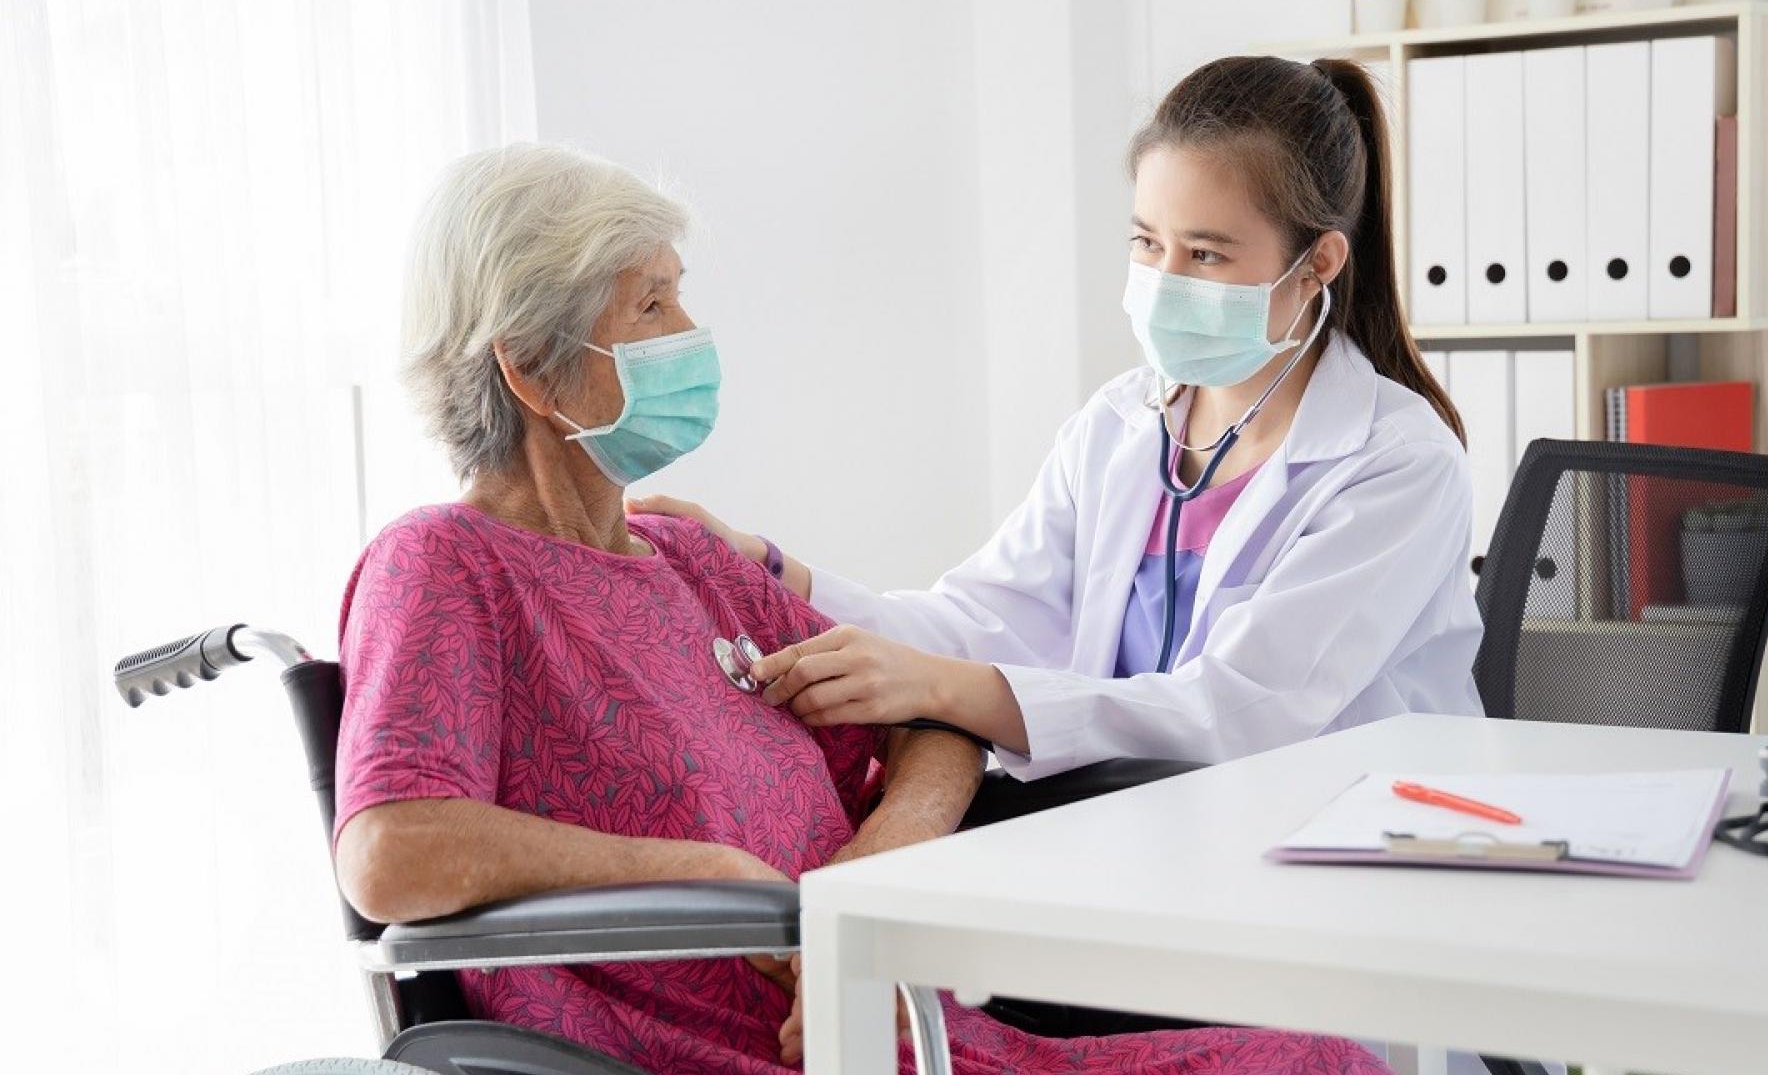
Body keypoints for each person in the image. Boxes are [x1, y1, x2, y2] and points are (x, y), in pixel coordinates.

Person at [333, 141, 1388, 1074]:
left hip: (900, 1031)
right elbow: (392, 852)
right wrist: (708, 873)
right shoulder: (445, 565)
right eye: (649, 306)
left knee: (1322, 1059)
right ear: (529, 366)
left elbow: (923, 715)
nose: (691, 333)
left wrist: (888, 852)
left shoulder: (686, 559)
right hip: (721, 1051)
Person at [634, 55, 1484, 781]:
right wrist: (772, 570)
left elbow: (1239, 713)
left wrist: (933, 687)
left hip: (1330, 838)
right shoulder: (1119, 427)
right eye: (1147, 243)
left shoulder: (1396, 460)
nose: (1164, 278)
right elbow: (982, 620)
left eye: (1207, 253)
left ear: (1317, 264)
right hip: (1136, 827)